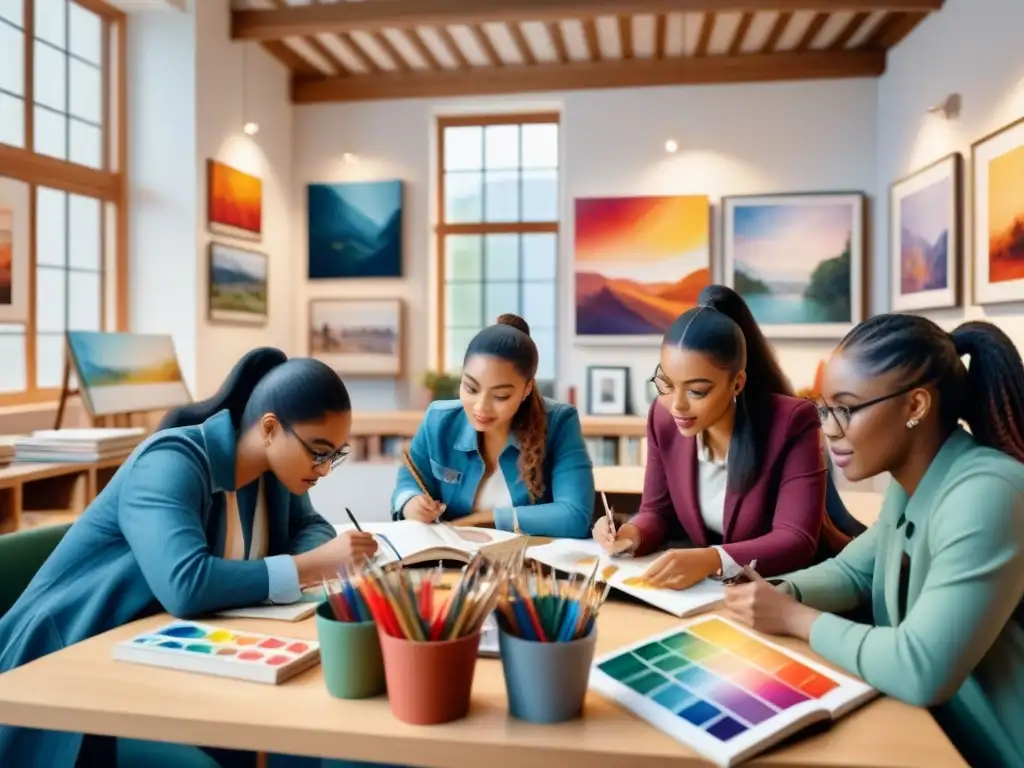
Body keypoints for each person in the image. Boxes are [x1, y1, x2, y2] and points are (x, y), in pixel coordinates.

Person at [0, 348, 378, 768]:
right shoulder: (171, 463)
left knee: (305, 725)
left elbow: (313, 528)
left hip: (163, 652)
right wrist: (311, 566)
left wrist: (311, 557)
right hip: (68, 668)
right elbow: (187, 584)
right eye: (319, 452)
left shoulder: (274, 474)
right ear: (270, 428)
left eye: (335, 456)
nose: (324, 470)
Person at [724, 314, 1024, 768]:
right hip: (927, 730)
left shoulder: (988, 493)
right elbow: (856, 570)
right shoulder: (914, 482)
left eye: (847, 408)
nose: (829, 430)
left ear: (916, 406)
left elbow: (920, 668)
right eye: (824, 409)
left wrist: (793, 617)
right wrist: (782, 591)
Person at [593, 284, 850, 588]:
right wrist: (632, 534)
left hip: (788, 589)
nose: (677, 404)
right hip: (713, 593)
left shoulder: (792, 422)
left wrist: (712, 559)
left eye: (697, 391)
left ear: (737, 383)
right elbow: (658, 511)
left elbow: (796, 540)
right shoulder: (663, 419)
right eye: (666, 383)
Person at [392, 313, 594, 538]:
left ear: (527, 389)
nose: (481, 407)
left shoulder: (559, 423)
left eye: (500, 396)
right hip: (452, 562)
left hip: (526, 565)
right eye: (471, 388)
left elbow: (575, 517)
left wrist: (479, 521)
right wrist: (410, 503)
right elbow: (408, 482)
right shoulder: (439, 420)